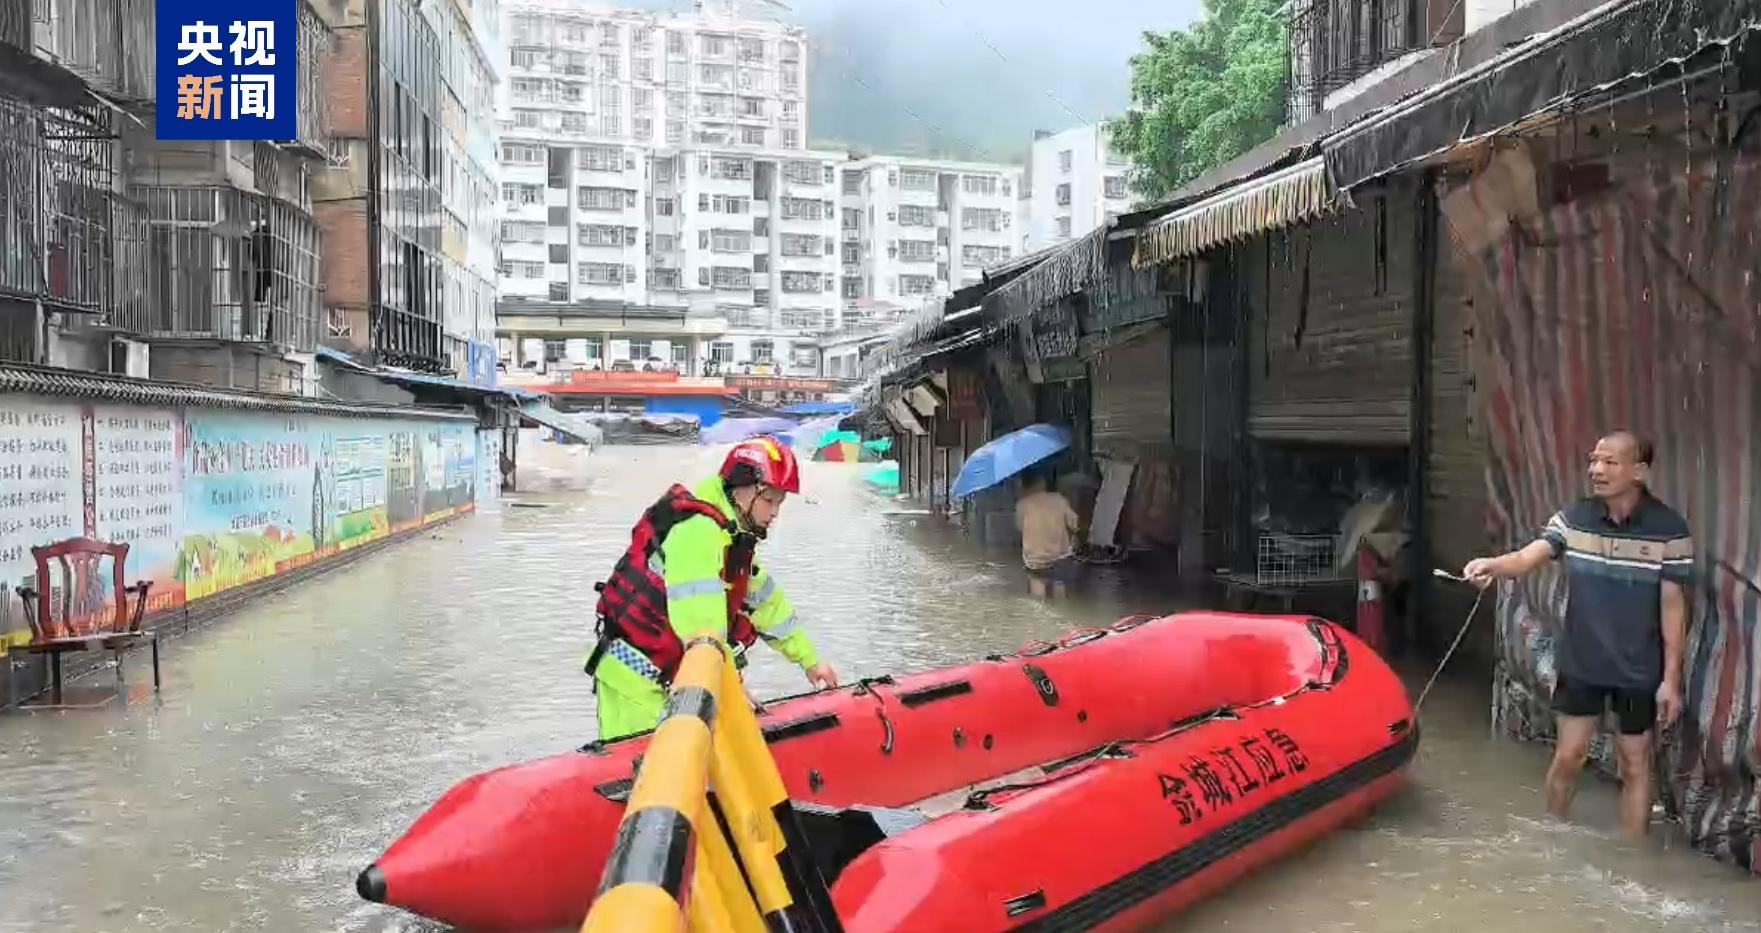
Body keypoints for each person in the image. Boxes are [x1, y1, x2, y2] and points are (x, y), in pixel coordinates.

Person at [1462, 430, 1691, 840]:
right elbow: (1527, 557)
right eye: (1593, 460)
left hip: (1639, 666)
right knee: (1569, 756)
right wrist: (1490, 565)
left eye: (1609, 462)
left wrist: (1670, 680)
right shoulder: (1574, 518)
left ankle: (1632, 857)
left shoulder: (1668, 529)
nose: (1596, 470)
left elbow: (1673, 606)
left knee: (1634, 763)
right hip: (1582, 660)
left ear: (1639, 471)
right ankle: (1552, 843)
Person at [586, 436, 840, 740]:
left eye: (779, 503)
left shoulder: (732, 537)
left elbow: (768, 606)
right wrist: (731, 687)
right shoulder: (697, 532)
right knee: (647, 764)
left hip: (670, 675)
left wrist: (810, 661)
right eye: (769, 501)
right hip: (635, 681)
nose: (774, 513)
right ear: (739, 490)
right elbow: (702, 626)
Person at [1015, 471, 1082, 599]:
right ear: (1042, 483)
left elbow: (1020, 528)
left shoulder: (1021, 505)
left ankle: (1038, 599)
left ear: (1024, 487)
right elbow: (1074, 523)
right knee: (1059, 585)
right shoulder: (1059, 499)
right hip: (1059, 557)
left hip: (1035, 561)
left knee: (1037, 592)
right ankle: (1060, 601)